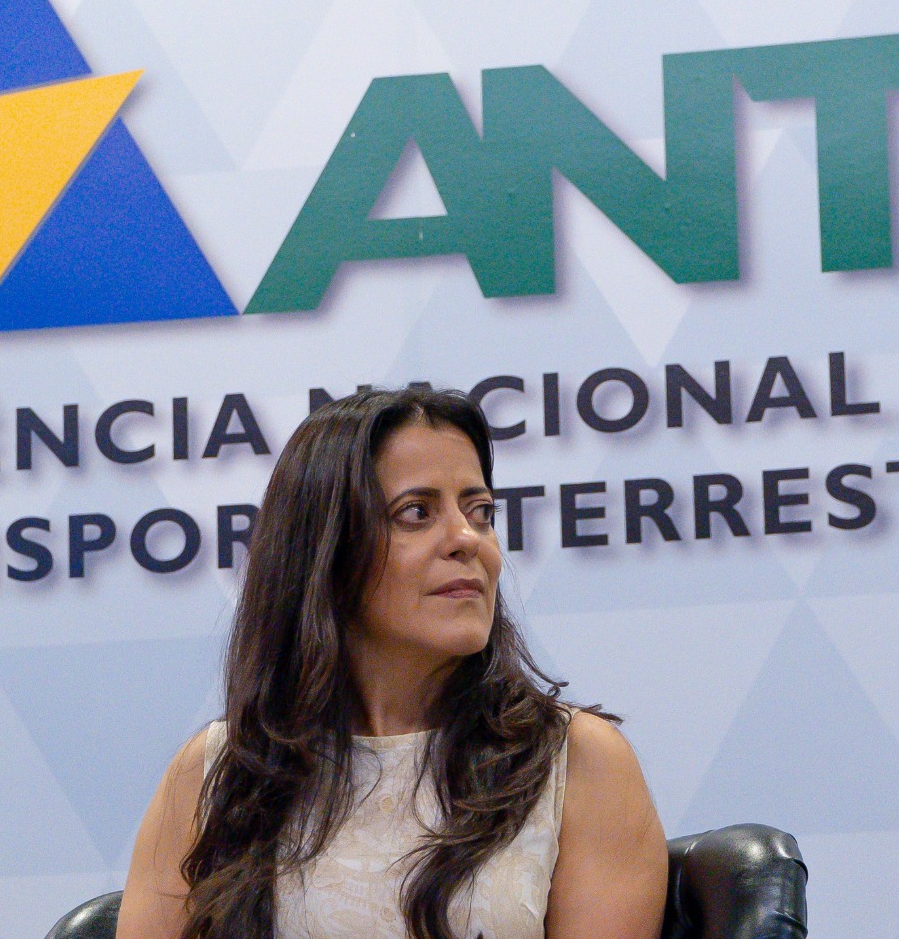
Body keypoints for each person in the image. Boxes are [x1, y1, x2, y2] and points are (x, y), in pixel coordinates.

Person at [116, 386, 667, 939]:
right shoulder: (216, 773)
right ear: (325, 551)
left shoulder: (579, 762)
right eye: (416, 513)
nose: (466, 539)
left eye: (480, 512)